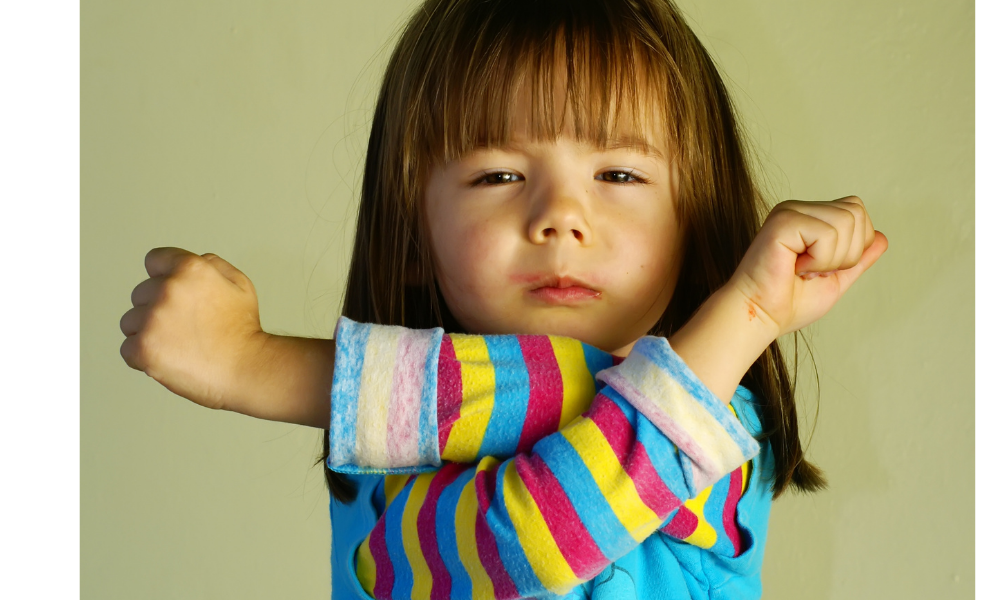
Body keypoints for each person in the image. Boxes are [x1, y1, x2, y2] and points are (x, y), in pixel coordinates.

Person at [118, 0, 888, 598]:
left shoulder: (715, 424)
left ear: (697, 222)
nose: (561, 215)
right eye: (498, 175)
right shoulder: (379, 454)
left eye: (618, 175)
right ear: (414, 232)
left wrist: (256, 367)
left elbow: (536, 526)